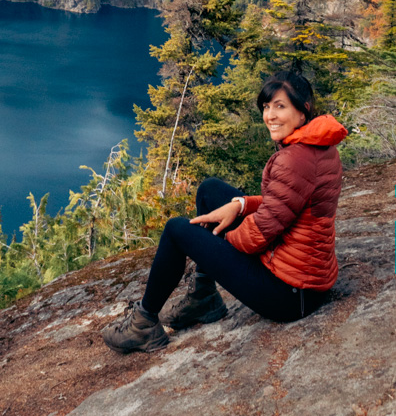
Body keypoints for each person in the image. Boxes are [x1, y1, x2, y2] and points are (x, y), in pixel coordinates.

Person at [102, 71, 348, 354]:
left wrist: (213, 247)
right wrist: (240, 205)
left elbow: (261, 231)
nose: (270, 115)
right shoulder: (318, 143)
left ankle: (143, 325)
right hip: (306, 280)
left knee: (177, 230)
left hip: (290, 295)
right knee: (211, 190)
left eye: (280, 106)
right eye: (266, 107)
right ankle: (204, 297)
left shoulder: (295, 159)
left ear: (303, 110)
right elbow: (285, 202)